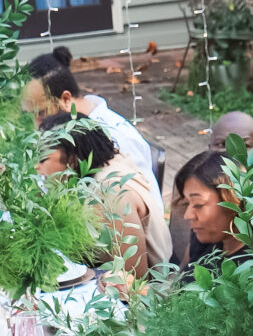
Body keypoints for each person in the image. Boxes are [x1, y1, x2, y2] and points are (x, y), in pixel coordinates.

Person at [41, 117, 168, 277]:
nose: (36, 167)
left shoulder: (111, 193)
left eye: (43, 159)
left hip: (145, 295)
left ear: (72, 159)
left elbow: (132, 280)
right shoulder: (102, 163)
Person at [33, 66, 158, 187]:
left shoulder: (119, 138)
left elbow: (146, 198)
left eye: (41, 113)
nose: (36, 124)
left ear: (66, 99)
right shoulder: (74, 133)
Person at [174, 151, 240, 265]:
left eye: (198, 204)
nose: (188, 215)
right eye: (186, 203)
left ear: (233, 201)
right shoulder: (204, 238)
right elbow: (177, 279)